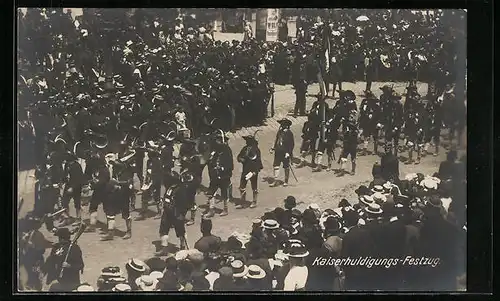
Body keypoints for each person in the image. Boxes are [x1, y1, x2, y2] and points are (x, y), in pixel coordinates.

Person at [204, 131, 233, 218]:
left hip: (224, 176)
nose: (217, 142)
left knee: (224, 193)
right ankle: (211, 210)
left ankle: (225, 209)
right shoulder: (214, 150)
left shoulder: (227, 150)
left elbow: (230, 164)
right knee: (210, 193)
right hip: (215, 176)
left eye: (219, 140)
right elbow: (209, 161)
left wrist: (222, 168)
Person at [235, 133, 263, 209]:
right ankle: (243, 202)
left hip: (253, 171)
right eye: (246, 141)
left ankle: (254, 201)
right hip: (245, 170)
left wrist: (255, 171)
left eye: (248, 141)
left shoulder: (256, 150)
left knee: (254, 186)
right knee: (242, 186)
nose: (247, 142)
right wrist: (241, 159)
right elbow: (239, 157)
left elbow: (258, 161)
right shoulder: (244, 148)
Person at [60, 152, 84, 224]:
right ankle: (67, 218)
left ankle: (78, 219)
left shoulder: (77, 166)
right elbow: (65, 175)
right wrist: (62, 182)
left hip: (76, 186)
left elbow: (79, 178)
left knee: (77, 203)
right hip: (68, 185)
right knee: (64, 201)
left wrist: (73, 187)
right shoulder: (67, 165)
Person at [270, 119, 294, 187]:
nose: (281, 125)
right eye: (281, 124)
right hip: (278, 151)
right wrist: (273, 148)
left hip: (285, 152)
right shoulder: (279, 132)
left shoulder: (289, 133)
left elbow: (291, 144)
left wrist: (288, 153)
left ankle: (286, 181)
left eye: (283, 124)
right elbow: (277, 140)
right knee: (276, 166)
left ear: (286, 125)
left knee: (286, 166)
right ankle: (275, 181)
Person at [358, 91, 382, 155]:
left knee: (375, 137)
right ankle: (364, 150)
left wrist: (379, 123)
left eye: (369, 96)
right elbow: (362, 111)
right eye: (367, 95)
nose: (367, 97)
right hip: (367, 122)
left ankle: (375, 150)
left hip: (374, 123)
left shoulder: (377, 105)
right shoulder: (365, 102)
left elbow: (380, 115)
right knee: (366, 136)